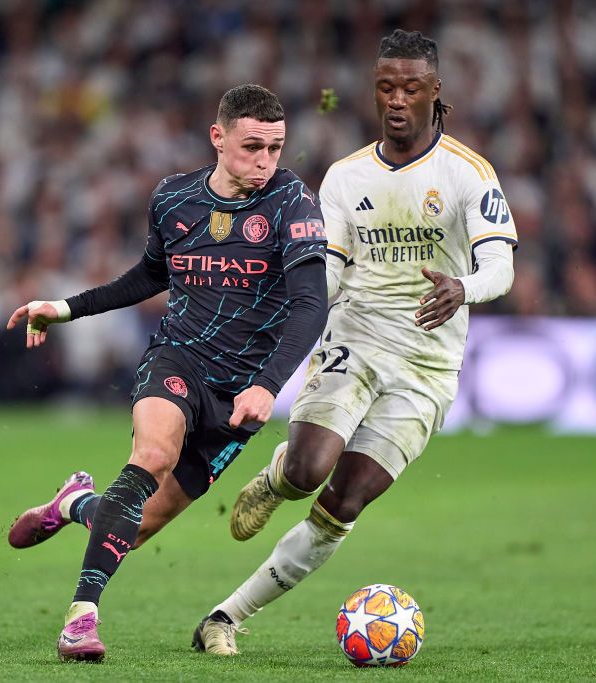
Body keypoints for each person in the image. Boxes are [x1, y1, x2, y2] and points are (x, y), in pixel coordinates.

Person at [191, 30, 517, 656]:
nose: (397, 100)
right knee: (310, 470)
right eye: (386, 87)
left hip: (428, 363)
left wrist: (466, 288)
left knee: (346, 499)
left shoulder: (469, 173)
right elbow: (332, 269)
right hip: (358, 334)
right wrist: (299, 299)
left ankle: (223, 618)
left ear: (435, 92)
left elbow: (499, 264)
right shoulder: (345, 177)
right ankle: (280, 478)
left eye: (411, 88)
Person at [5, 84, 328, 662]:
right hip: (178, 360)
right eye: (252, 146)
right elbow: (149, 275)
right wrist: (65, 307)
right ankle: (81, 618)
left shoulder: (293, 205)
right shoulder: (174, 197)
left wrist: (268, 384)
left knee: (135, 526)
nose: (265, 161)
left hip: (241, 396)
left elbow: (311, 305)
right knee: (151, 457)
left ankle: (73, 503)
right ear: (218, 137)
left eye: (276, 148)